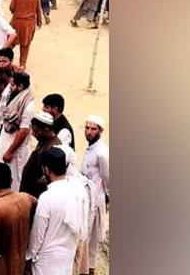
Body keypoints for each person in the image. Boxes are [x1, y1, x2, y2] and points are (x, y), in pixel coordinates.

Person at [27, 147, 85, 275]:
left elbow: (37, 238)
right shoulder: (77, 193)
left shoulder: (47, 198)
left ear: (46, 170)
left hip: (45, 264)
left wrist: (28, 257)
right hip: (66, 261)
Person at [0, 162, 36, 275]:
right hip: (20, 263)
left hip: (0, 267)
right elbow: (38, 207)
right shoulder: (26, 199)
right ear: (11, 181)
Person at [0, 71, 34, 191]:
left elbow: (23, 131)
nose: (10, 88)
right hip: (6, 141)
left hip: (15, 150)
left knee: (13, 181)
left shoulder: (28, 106)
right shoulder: (17, 98)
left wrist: (10, 151)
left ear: (20, 87)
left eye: (12, 85)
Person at [80, 115, 109, 273]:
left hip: (95, 201)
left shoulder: (102, 153)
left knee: (90, 241)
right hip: (85, 199)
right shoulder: (89, 147)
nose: (89, 132)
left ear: (100, 131)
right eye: (87, 128)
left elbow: (108, 180)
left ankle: (89, 270)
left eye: (93, 129)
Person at [19, 112, 63, 198]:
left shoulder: (52, 147)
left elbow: (47, 178)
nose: (33, 134)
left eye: (36, 131)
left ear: (46, 130)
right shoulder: (44, 141)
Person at [8, 0, 43, 69]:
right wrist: (39, 22)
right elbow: (38, 11)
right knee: (25, 45)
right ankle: (22, 65)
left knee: (10, 43)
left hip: (16, 22)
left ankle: (6, 61)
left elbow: (11, 8)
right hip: (29, 24)